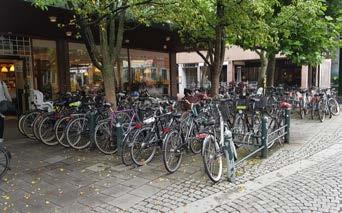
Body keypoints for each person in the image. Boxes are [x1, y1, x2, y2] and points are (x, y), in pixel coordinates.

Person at [0, 80, 12, 144]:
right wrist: (10, 101)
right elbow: (7, 94)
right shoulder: (2, 83)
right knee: (1, 120)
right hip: (2, 104)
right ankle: (0, 138)